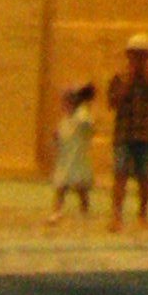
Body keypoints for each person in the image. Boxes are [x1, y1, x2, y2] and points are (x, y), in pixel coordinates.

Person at [107, 33, 148, 229]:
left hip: (146, 134)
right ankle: (116, 214)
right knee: (120, 174)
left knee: (144, 176)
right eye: (134, 55)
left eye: (142, 56)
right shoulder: (119, 77)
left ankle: (143, 213)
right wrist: (128, 81)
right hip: (123, 133)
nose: (138, 60)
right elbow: (112, 102)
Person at [48, 80, 95, 221]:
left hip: (77, 157)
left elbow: (88, 126)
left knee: (81, 188)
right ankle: (57, 211)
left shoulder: (82, 117)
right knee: (61, 187)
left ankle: (84, 210)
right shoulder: (66, 119)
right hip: (66, 158)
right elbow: (61, 134)